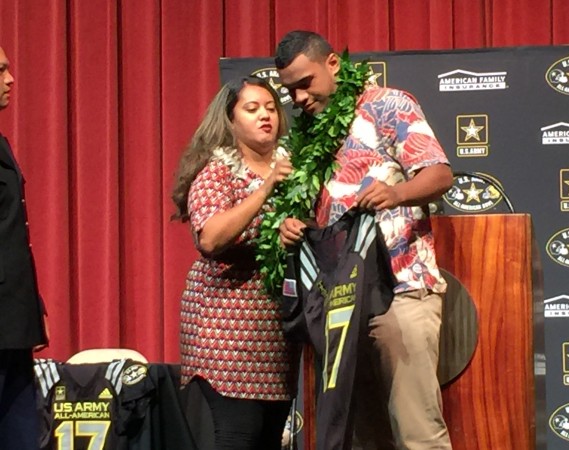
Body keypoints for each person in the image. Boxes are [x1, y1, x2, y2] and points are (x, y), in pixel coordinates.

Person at [275, 31, 454, 449]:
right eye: (290, 91)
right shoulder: (306, 135)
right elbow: (314, 208)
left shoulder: (388, 105)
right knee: (361, 438)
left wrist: (397, 194)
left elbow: (440, 174)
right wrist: (290, 223)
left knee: (417, 432)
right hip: (338, 303)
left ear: (333, 63)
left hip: (401, 289)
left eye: (306, 83)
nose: (299, 98)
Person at [172, 76, 299, 450]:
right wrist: (265, 188)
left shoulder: (294, 169)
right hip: (226, 333)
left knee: (269, 439)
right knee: (238, 436)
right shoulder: (217, 172)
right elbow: (210, 238)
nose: (265, 116)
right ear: (230, 121)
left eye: (271, 108)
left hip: (276, 334)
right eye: (252, 108)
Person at [0, 46, 49, 449]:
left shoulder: (2, 143)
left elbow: (14, 235)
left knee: (20, 433)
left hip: (13, 321)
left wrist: (33, 306)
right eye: (1, 70)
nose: (11, 79)